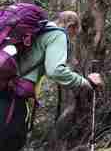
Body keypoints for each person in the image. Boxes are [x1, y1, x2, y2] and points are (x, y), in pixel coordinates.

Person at [0, 11, 104, 151]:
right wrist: (84, 82)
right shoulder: (58, 34)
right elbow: (55, 70)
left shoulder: (41, 30)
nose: (71, 39)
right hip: (13, 95)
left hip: (5, 87)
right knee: (10, 140)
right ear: (71, 26)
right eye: (73, 34)